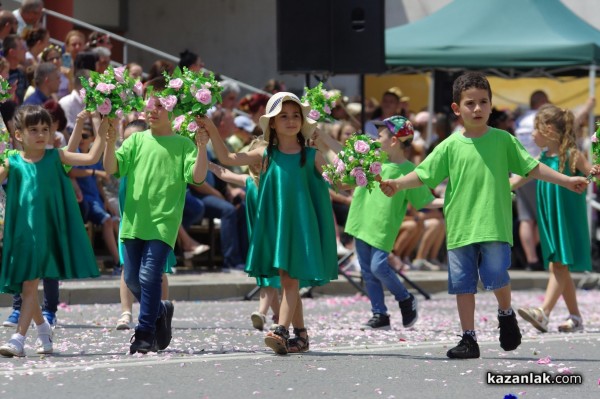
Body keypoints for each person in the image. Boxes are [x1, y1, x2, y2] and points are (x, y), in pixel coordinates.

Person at [379, 72, 589, 359]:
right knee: (463, 284)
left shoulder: (503, 139)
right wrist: (397, 183)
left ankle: (506, 313)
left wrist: (566, 180)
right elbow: (423, 174)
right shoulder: (451, 145)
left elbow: (532, 168)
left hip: (493, 224)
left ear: (491, 105)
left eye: (483, 102)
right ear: (457, 109)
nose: (477, 109)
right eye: (470, 103)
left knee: (495, 275)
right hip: (460, 226)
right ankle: (469, 338)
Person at [201, 92, 338, 354]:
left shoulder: (311, 155)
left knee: (289, 279)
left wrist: (358, 165)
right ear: (272, 123)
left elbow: (340, 181)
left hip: (301, 226)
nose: (290, 120)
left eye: (295, 115)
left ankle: (281, 330)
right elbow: (228, 159)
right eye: (283, 116)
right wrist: (210, 128)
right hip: (277, 225)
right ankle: (301, 336)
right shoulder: (264, 152)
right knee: (289, 278)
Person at [103, 76, 209, 354]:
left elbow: (197, 177)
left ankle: (145, 331)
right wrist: (109, 141)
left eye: (161, 104)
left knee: (150, 276)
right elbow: (113, 168)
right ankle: (160, 309)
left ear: (173, 108)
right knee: (132, 279)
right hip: (134, 220)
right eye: (150, 103)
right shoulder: (136, 140)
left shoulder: (183, 144)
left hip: (163, 221)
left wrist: (200, 147)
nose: (153, 109)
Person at [317, 116, 442, 329]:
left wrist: (454, 200)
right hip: (360, 220)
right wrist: (324, 136)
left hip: (382, 226)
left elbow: (427, 201)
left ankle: (405, 298)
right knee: (367, 271)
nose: (375, 138)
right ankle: (379, 314)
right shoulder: (373, 160)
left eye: (381, 135)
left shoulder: (409, 172)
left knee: (378, 267)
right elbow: (345, 154)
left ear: (394, 141)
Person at [0, 105, 106, 357]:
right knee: (26, 285)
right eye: (33, 129)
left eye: (44, 129)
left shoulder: (56, 156)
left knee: (29, 284)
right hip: (21, 234)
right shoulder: (11, 161)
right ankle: (43, 327)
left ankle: (18, 339)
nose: (40, 134)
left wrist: (103, 125)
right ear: (18, 135)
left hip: (46, 233)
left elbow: (91, 157)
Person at [514, 104, 599, 333]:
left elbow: (591, 175)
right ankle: (576, 316)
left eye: (535, 129)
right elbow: (521, 177)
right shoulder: (542, 156)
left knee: (559, 265)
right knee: (558, 266)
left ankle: (544, 312)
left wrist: (592, 175)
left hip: (566, 217)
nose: (532, 135)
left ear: (549, 129)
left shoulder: (572, 154)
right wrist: (502, 187)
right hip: (551, 216)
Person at [208, 138, 281, 331]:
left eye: (262, 159)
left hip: (274, 236)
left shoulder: (276, 182)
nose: (258, 164)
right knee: (265, 276)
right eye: (254, 159)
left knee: (269, 276)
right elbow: (226, 174)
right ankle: (279, 316)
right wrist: (208, 164)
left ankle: (262, 312)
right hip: (258, 238)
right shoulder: (249, 181)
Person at [114, 120, 176, 330]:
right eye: (125, 140)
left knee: (156, 271)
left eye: (134, 139)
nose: (129, 144)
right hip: (130, 223)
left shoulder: (153, 160)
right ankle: (129, 311)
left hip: (155, 223)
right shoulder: (124, 165)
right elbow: (106, 152)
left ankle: (159, 313)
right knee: (129, 271)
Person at [513, 90, 549, 271]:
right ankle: (536, 256)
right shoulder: (542, 118)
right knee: (543, 217)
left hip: (518, 171)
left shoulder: (520, 120)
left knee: (526, 218)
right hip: (538, 170)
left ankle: (531, 259)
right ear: (542, 102)